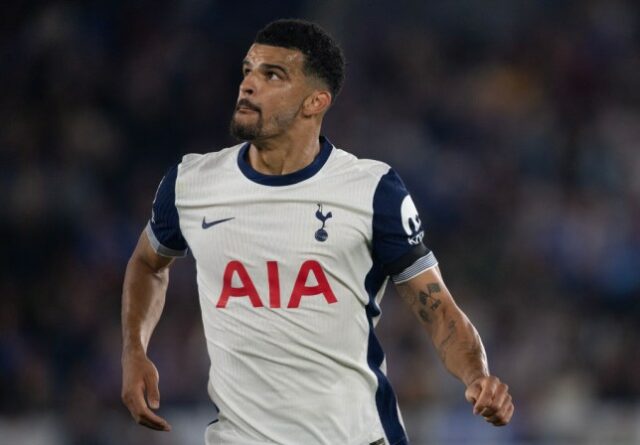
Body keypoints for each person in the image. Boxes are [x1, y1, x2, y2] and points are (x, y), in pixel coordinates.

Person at [121, 19, 514, 445]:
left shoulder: (372, 190)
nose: (248, 85)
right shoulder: (190, 183)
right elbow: (148, 262)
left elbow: (438, 309)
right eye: (247, 70)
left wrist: (477, 375)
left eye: (272, 75)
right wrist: (135, 349)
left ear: (315, 101)